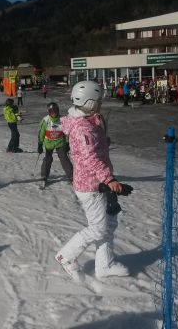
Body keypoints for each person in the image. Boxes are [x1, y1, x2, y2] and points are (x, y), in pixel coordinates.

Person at [55, 80, 130, 281]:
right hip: (90, 185)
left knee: (110, 223)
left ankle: (105, 264)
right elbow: (90, 158)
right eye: (98, 102)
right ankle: (66, 256)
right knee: (98, 228)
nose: (101, 105)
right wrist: (109, 178)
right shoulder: (82, 129)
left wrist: (103, 140)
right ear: (89, 103)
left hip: (97, 182)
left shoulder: (89, 121)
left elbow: (91, 146)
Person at [37, 102, 73, 187]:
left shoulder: (63, 119)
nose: (54, 113)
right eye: (52, 112)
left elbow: (67, 132)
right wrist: (40, 144)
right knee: (48, 158)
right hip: (49, 143)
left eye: (55, 111)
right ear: (49, 112)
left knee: (64, 158)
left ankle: (72, 176)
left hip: (60, 142)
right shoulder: (46, 120)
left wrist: (68, 143)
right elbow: (41, 133)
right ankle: (44, 176)